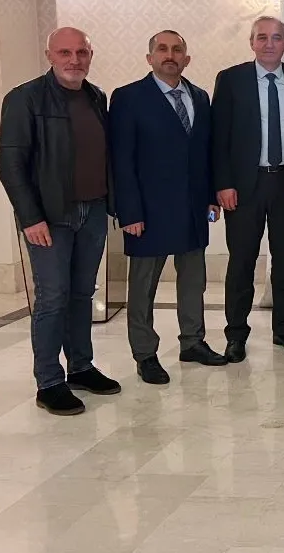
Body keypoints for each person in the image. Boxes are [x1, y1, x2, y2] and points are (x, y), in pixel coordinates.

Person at [0, 27, 121, 415]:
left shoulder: (96, 96)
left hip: (93, 211)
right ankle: (49, 381)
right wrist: (31, 217)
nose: (74, 60)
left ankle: (80, 367)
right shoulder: (25, 98)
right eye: (65, 52)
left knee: (82, 294)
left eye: (81, 52)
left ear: (91, 55)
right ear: (49, 55)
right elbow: (10, 164)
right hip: (49, 217)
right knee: (53, 297)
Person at [110, 30, 227, 385]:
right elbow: (121, 160)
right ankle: (145, 354)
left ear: (186, 59)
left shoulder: (200, 96)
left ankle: (192, 342)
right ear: (150, 58)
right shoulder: (128, 97)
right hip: (148, 211)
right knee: (143, 287)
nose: (170, 55)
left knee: (193, 281)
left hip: (192, 208)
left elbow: (205, 152)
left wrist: (210, 196)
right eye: (162, 49)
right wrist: (129, 212)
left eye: (177, 50)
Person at [212, 15, 284, 361]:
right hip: (244, 186)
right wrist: (223, 183)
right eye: (262, 37)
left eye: (276, 37)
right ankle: (235, 335)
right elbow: (219, 136)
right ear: (251, 42)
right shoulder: (231, 79)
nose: (269, 43)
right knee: (242, 262)